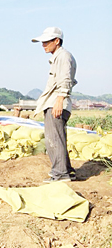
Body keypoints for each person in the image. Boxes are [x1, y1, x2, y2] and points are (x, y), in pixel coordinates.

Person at [32, 27, 77, 182]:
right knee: (60, 138)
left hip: (56, 103)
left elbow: (65, 80)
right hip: (57, 102)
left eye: (46, 42)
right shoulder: (59, 57)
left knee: (54, 140)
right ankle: (68, 171)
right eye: (42, 42)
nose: (43, 45)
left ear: (56, 41)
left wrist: (59, 100)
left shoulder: (63, 56)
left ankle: (60, 174)